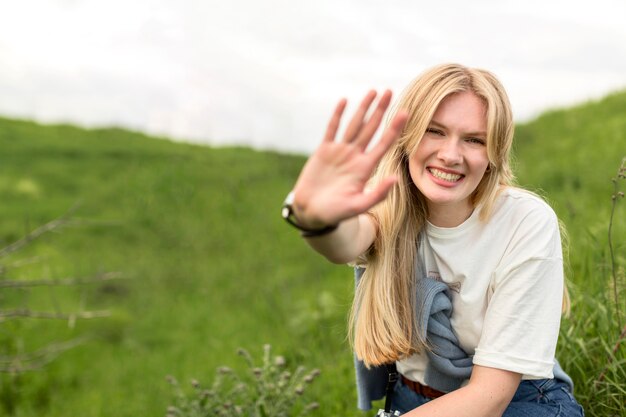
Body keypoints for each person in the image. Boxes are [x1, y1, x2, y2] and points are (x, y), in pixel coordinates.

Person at [280, 64, 584, 416]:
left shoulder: (524, 222)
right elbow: (344, 242)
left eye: (474, 139)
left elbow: (491, 395)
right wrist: (314, 217)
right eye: (434, 131)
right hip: (413, 398)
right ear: (407, 138)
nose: (450, 155)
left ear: (492, 155)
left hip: (518, 402)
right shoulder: (386, 206)